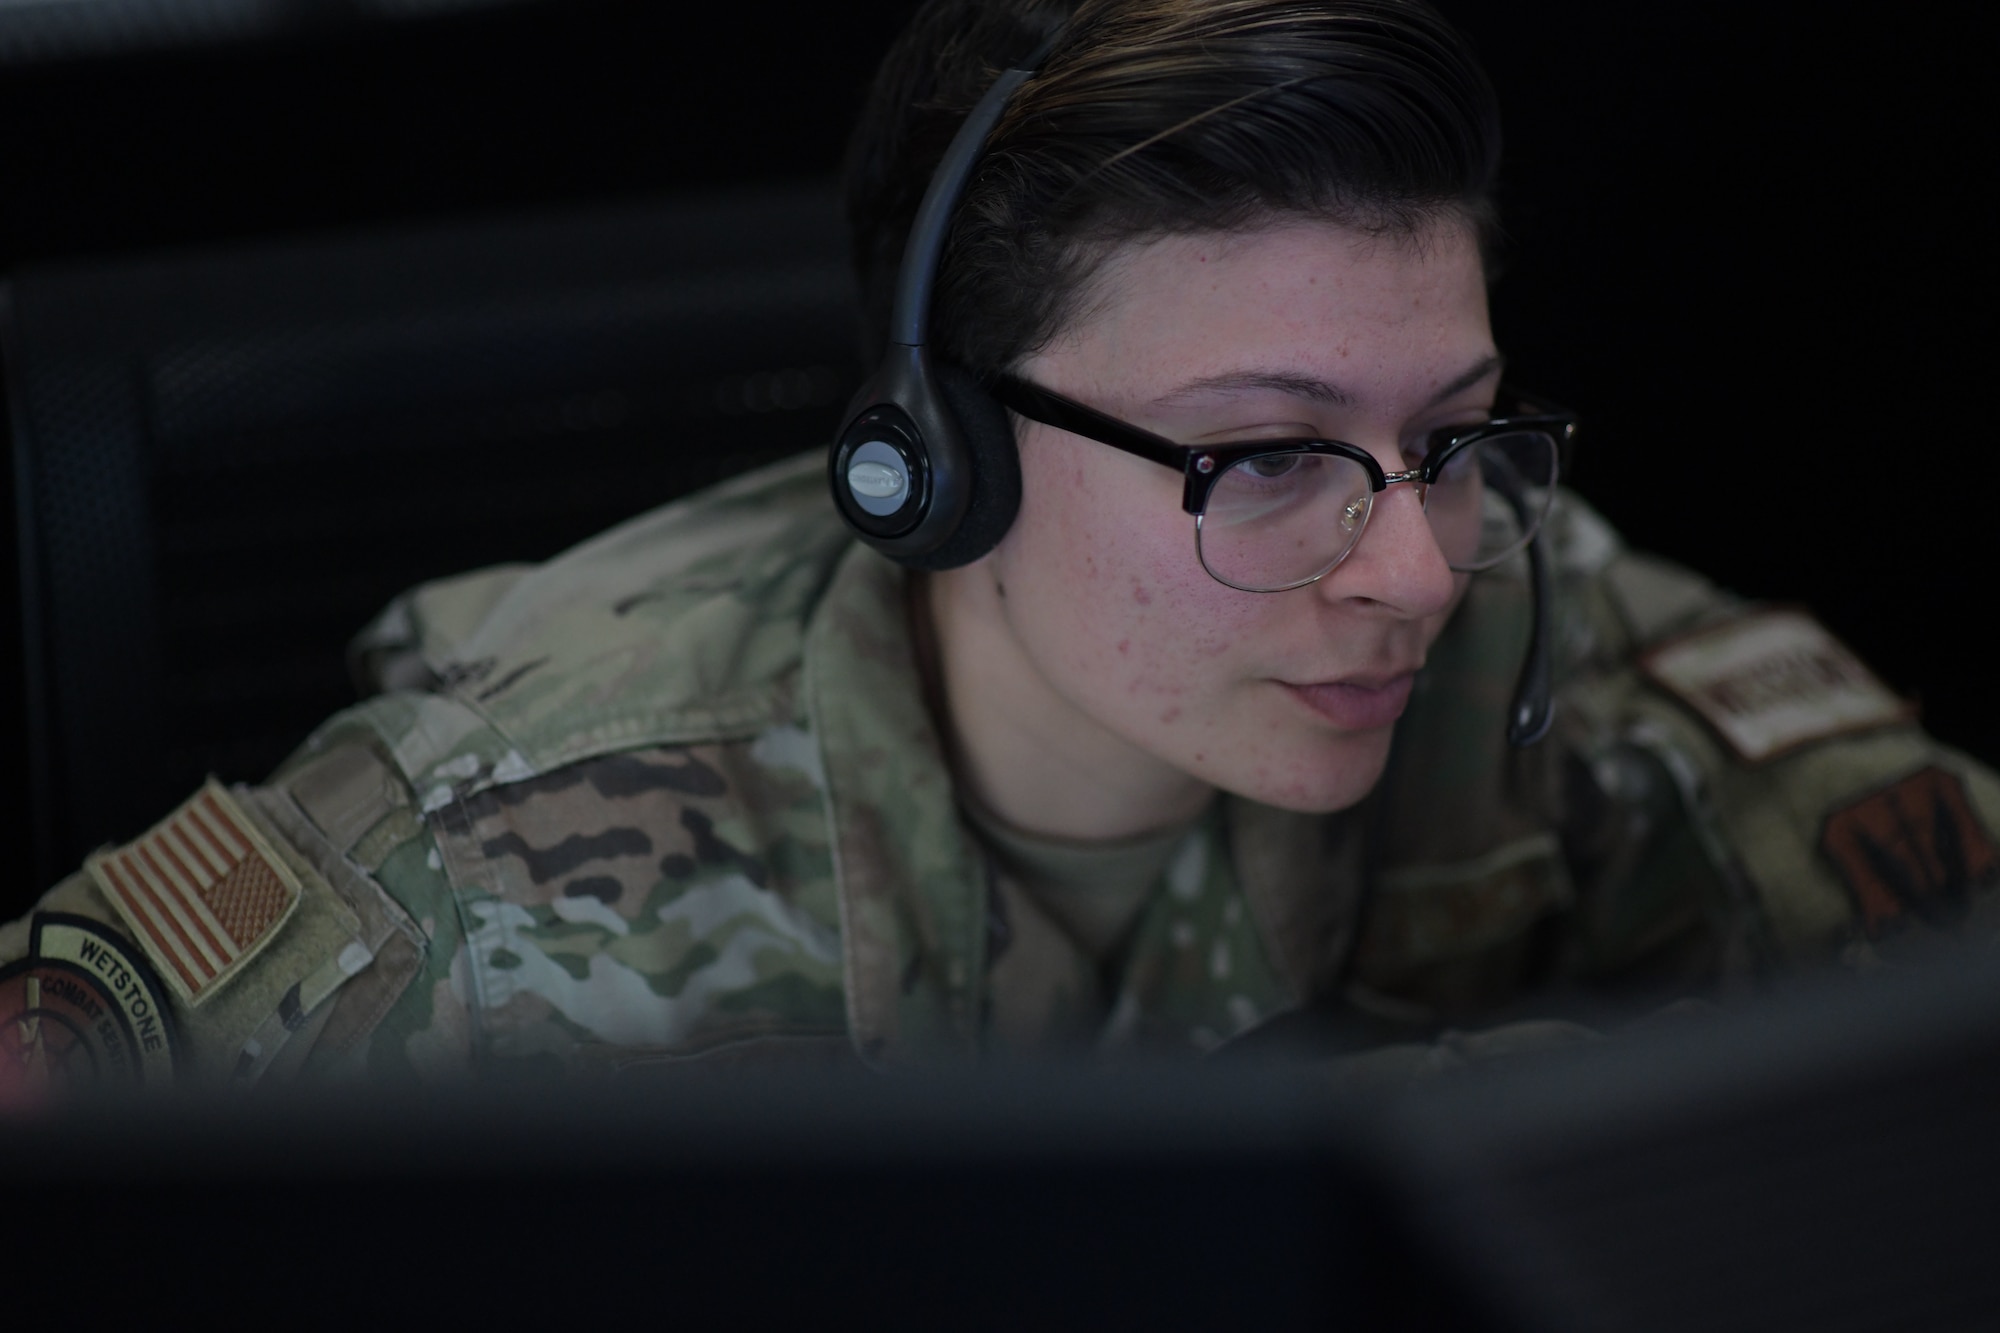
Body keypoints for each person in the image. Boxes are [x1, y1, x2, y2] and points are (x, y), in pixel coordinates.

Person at [4, 0, 1996, 1097]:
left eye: (1454, 437)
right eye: (1268, 458)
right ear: (934, 461)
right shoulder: (492, 855)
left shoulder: (1526, 639)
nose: (1411, 567)